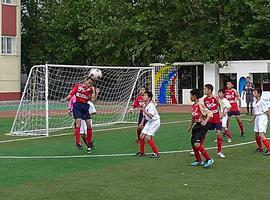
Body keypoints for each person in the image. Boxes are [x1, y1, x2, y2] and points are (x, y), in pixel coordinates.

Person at [61, 76, 95, 152]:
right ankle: (78, 142)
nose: (89, 84)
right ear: (85, 80)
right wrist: (65, 99)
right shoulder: (78, 86)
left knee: (89, 125)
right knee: (78, 123)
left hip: (85, 107)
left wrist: (94, 92)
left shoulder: (91, 89)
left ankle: (89, 143)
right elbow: (71, 94)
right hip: (77, 106)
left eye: (91, 83)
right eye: (89, 82)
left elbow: (92, 100)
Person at [186, 89, 214, 168]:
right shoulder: (194, 106)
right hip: (197, 125)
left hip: (202, 126)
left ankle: (209, 159)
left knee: (197, 144)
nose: (190, 97)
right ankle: (199, 160)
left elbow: (210, 113)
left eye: (191, 96)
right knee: (193, 144)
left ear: (195, 96)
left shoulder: (200, 105)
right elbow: (193, 117)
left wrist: (205, 121)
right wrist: (190, 126)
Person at [68, 87, 100, 152]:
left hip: (87, 120)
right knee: (82, 134)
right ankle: (88, 145)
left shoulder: (89, 103)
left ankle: (89, 146)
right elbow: (71, 103)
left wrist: (85, 116)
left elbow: (94, 112)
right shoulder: (77, 103)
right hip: (81, 120)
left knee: (86, 134)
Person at [203, 84, 226, 158]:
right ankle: (198, 148)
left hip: (217, 119)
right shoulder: (204, 100)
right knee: (203, 134)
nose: (204, 91)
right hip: (209, 119)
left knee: (219, 134)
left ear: (209, 90)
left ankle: (219, 152)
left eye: (205, 89)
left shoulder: (216, 97)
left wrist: (222, 113)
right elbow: (205, 110)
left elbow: (223, 105)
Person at [136, 91, 160, 158]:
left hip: (155, 122)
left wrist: (144, 110)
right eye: (143, 95)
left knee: (148, 137)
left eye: (145, 95)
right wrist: (142, 123)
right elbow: (144, 116)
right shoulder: (144, 104)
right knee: (141, 136)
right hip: (149, 122)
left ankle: (156, 153)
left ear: (149, 98)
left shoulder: (151, 106)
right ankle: (142, 152)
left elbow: (150, 116)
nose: (143, 96)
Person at [249, 88, 270, 155]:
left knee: (261, 134)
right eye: (253, 92)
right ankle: (260, 148)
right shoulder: (254, 102)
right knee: (256, 134)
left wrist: (269, 119)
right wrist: (252, 119)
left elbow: (267, 111)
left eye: (255, 92)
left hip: (262, 117)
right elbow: (256, 113)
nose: (253, 93)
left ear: (259, 94)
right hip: (258, 118)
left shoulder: (262, 102)